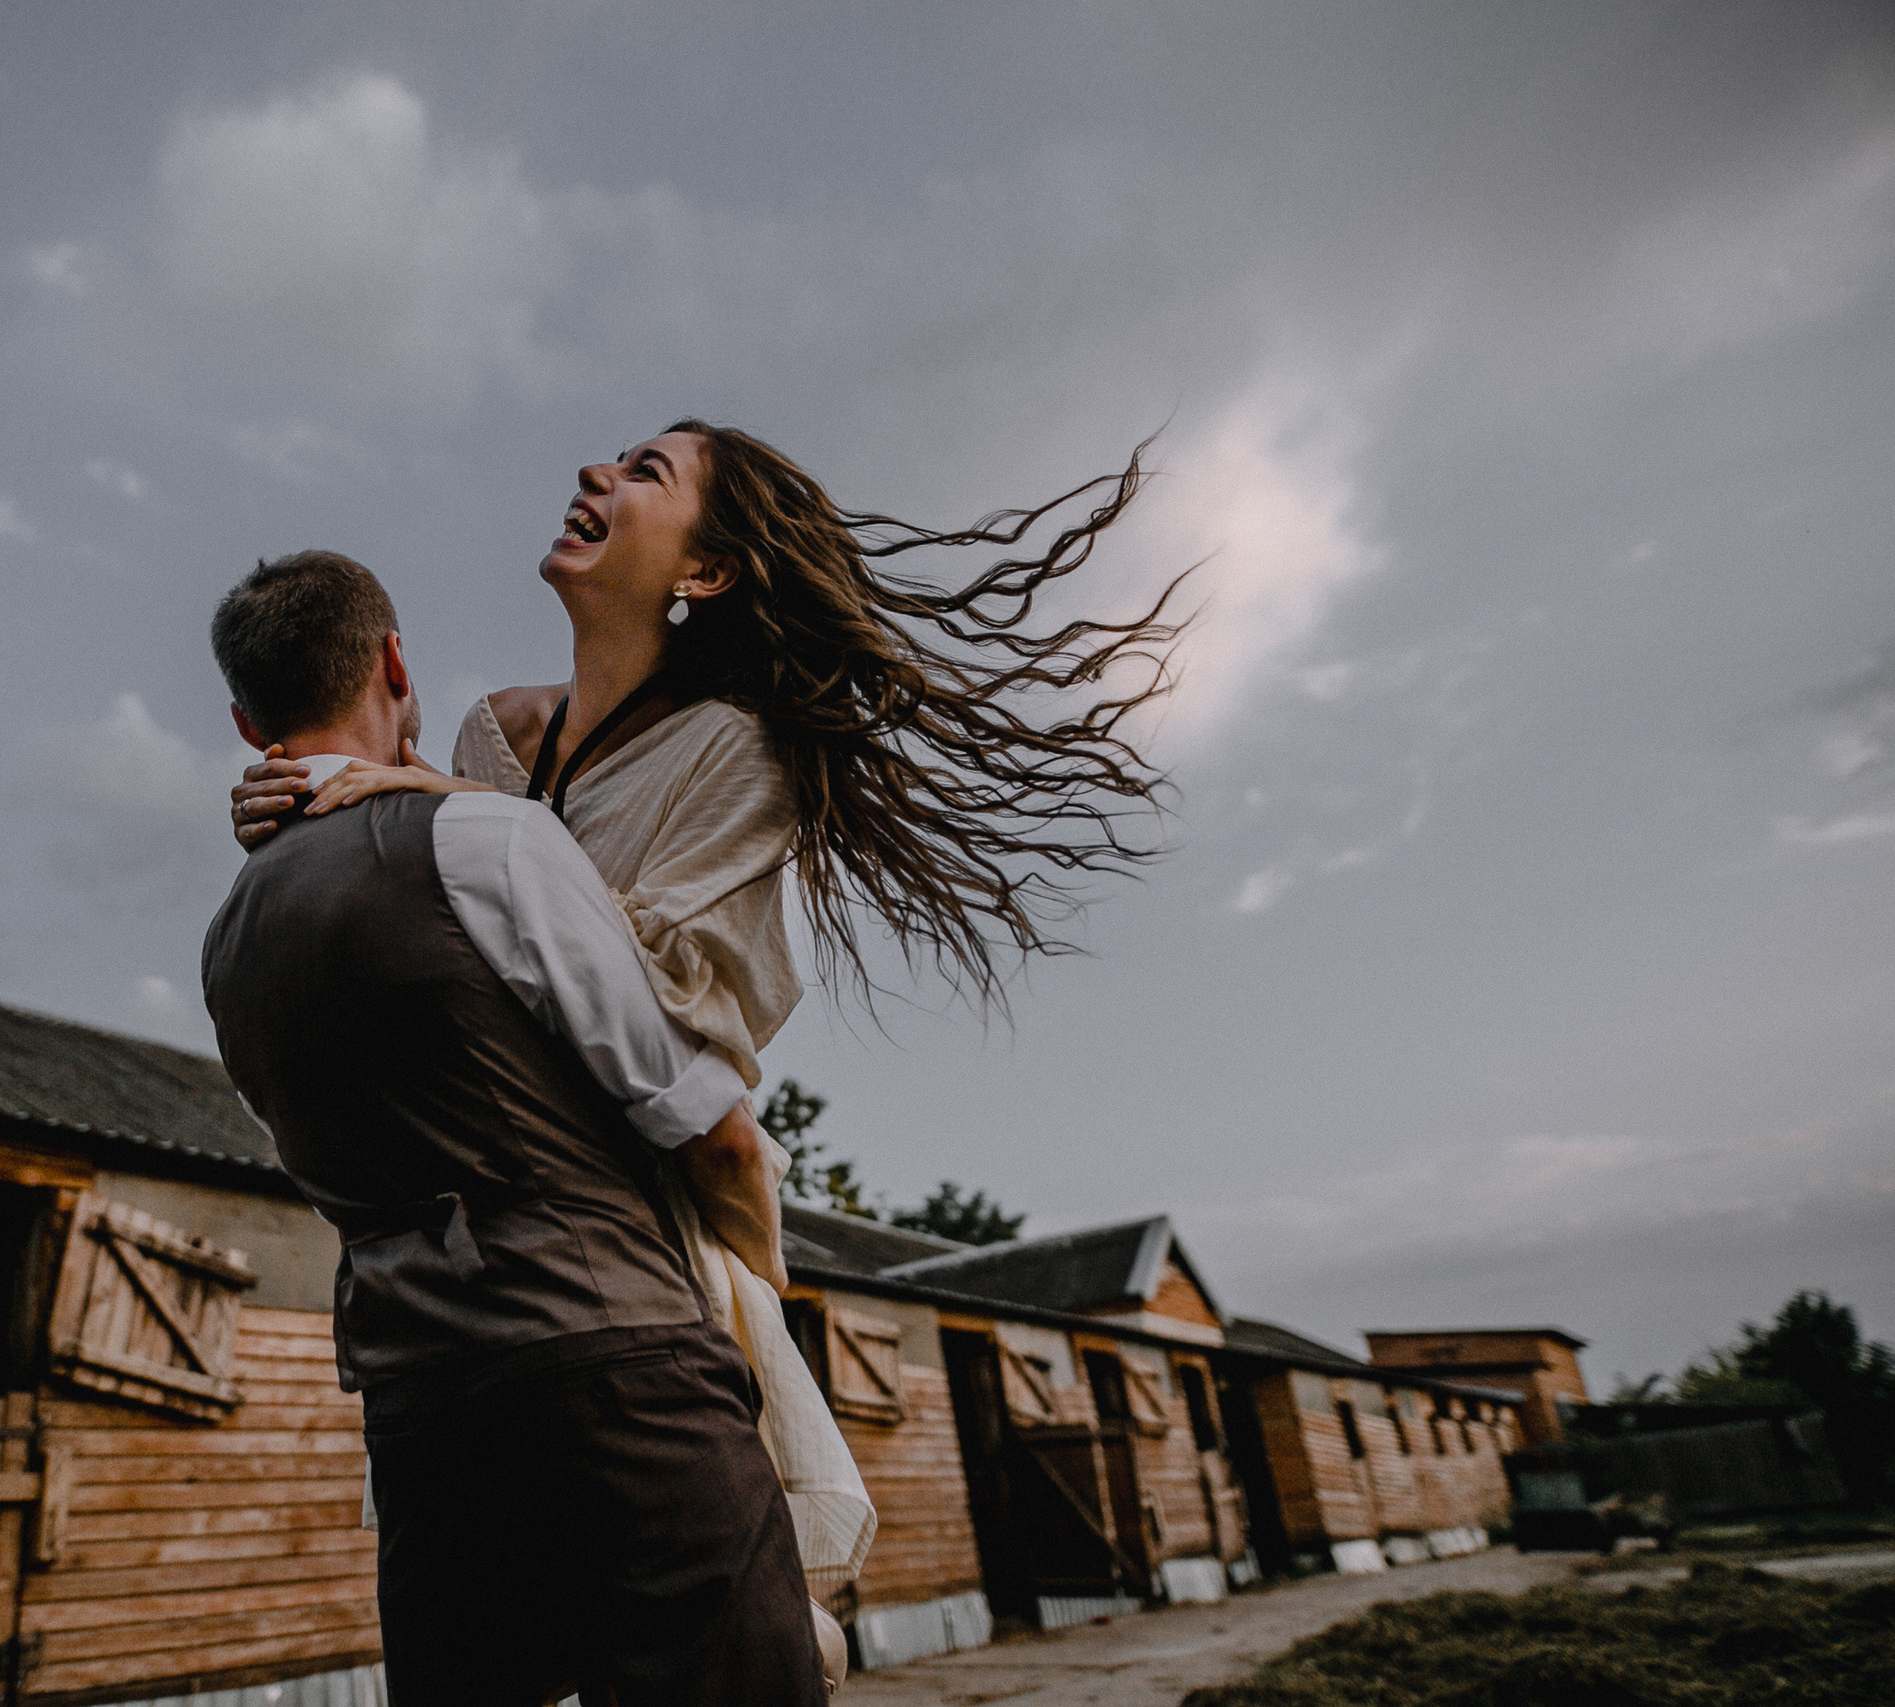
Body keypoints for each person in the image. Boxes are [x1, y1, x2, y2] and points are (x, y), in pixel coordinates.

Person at [231, 421, 1180, 1608]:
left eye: (646, 472)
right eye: (612, 459)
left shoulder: (737, 752)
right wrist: (314, 813)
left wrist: (448, 814)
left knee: (706, 1628)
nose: (594, 471)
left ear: (709, 571)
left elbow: (647, 989)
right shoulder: (490, 734)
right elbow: (447, 952)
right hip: (483, 1231)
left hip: (641, 1224)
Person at [201, 550, 828, 1706]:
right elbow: (712, 1133)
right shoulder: (492, 840)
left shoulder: (230, 939)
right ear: (394, 662)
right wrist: (754, 1285)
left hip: (419, 1411)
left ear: (248, 724)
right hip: (615, 1370)